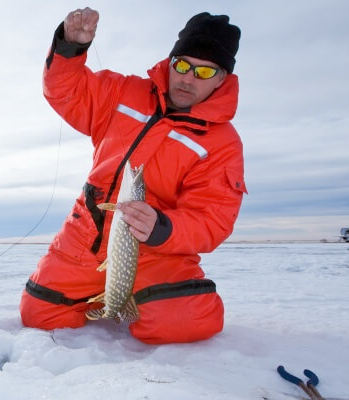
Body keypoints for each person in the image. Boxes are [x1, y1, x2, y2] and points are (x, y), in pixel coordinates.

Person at [20, 8, 246, 344]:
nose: (187, 78)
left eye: (203, 71)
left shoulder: (222, 144)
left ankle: (138, 299)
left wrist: (162, 228)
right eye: (182, 65)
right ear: (170, 62)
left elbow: (212, 220)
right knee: (38, 314)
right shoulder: (123, 92)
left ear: (221, 78)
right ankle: (102, 296)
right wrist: (70, 47)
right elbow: (65, 92)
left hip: (157, 252)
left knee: (188, 320)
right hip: (87, 235)